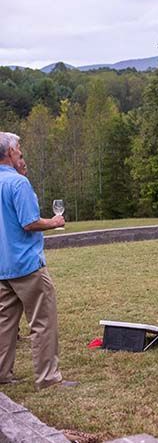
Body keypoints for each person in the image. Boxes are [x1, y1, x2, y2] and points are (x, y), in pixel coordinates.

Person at [0, 132, 77, 389]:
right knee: (42, 322)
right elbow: (29, 222)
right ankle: (48, 378)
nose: (21, 152)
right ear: (10, 152)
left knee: (4, 324)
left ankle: (2, 373)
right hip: (26, 265)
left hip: (3, 267)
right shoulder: (18, 184)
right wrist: (54, 222)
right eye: (19, 148)